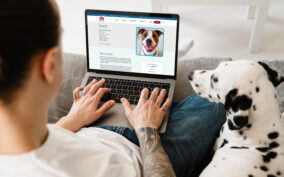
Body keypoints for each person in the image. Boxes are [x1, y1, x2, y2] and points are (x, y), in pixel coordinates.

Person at [0, 0, 226, 177]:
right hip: (145, 150)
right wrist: (147, 129)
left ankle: (155, 65)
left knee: (156, 90)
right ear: (49, 66)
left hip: (88, 124)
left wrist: (72, 119)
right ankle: (161, 65)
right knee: (223, 92)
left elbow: (41, 144)